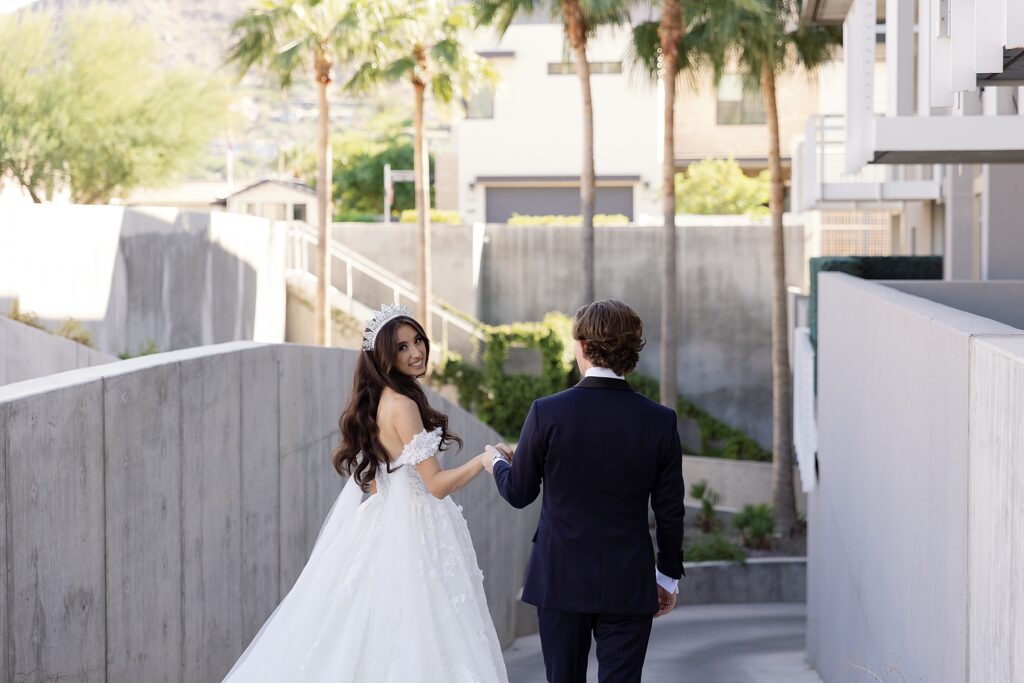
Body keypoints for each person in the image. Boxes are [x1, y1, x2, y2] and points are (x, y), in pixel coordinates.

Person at [223, 304, 508, 682]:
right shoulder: (403, 405)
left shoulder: (379, 403)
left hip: (389, 523)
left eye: (418, 340)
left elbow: (377, 481)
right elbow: (436, 486)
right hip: (418, 530)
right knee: (422, 632)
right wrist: (486, 460)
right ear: (384, 357)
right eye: (403, 347)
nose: (416, 351)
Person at [485, 299, 686, 683]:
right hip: (628, 580)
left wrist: (494, 462)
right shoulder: (660, 421)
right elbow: (670, 509)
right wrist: (667, 577)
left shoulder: (547, 412)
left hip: (559, 577)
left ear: (580, 345)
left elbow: (518, 491)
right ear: (632, 351)